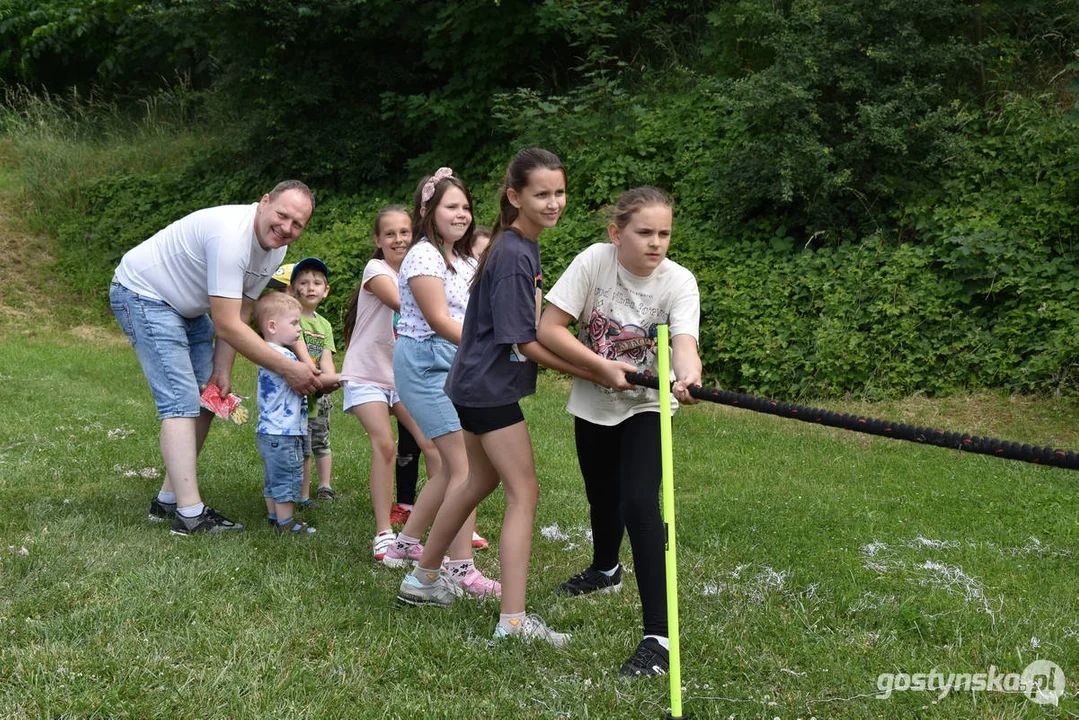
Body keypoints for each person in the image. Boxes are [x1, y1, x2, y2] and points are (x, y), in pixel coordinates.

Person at [395, 148, 636, 646]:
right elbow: (524, 341)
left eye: (559, 193)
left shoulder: (520, 245)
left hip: (475, 385)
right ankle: (513, 621)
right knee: (524, 492)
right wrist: (597, 370)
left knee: (475, 482)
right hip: (485, 391)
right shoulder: (510, 255)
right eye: (541, 194)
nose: (553, 203)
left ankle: (421, 578)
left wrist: (592, 368)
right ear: (515, 196)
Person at [537, 186, 702, 676]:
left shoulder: (679, 281)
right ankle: (605, 568)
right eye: (644, 232)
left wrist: (688, 375)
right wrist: (600, 369)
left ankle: (659, 639)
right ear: (617, 233)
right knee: (601, 494)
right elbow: (550, 328)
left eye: (664, 234)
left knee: (637, 501)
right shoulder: (593, 262)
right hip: (594, 396)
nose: (656, 243)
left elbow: (686, 342)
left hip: (648, 404)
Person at [110, 180, 320, 536]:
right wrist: (289, 367)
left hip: (188, 308)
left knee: (210, 398)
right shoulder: (231, 236)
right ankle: (189, 516)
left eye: (297, 224)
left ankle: (167, 500)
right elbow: (225, 323)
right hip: (144, 293)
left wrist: (221, 370)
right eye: (282, 215)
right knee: (180, 402)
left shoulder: (275, 251)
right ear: (264, 201)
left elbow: (242, 310)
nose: (286, 228)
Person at [380, 167, 499, 598]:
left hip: (455, 363)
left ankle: (405, 546)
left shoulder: (463, 257)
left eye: (466, 206)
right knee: (464, 468)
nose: (462, 214)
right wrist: (487, 345)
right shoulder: (423, 255)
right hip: (426, 365)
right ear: (427, 210)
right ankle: (462, 567)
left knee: (451, 466)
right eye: (452, 206)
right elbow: (438, 320)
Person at [339, 206, 440, 560]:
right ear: (378, 240)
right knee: (385, 446)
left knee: (434, 444)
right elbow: (405, 303)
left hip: (401, 377)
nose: (399, 239)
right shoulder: (376, 270)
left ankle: (432, 528)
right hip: (366, 374)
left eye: (405, 232)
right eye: (390, 234)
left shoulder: (419, 272)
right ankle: (384, 533)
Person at [253, 291, 317, 535]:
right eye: (294, 323)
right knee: (288, 477)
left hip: (268, 431)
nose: (299, 328)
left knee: (273, 477)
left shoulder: (266, 354)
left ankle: (273, 515)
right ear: (272, 326)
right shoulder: (284, 357)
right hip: (285, 432)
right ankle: (286, 522)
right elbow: (311, 379)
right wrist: (343, 378)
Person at [290, 257, 341, 507]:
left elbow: (327, 359)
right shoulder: (291, 318)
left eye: (317, 283)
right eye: (304, 282)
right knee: (303, 445)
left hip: (320, 395)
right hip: (297, 391)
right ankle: (303, 494)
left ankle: (324, 485)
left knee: (321, 440)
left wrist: (331, 380)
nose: (311, 287)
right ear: (292, 289)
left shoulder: (325, 325)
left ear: (325, 290)